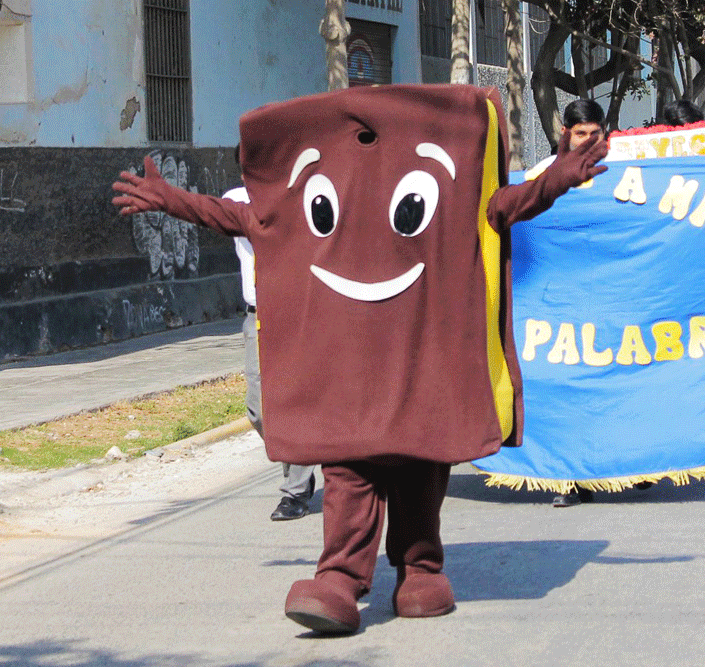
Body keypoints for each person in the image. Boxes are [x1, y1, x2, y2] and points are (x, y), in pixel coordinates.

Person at [112, 84, 608, 635]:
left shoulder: (452, 204)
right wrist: (170, 198)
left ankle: (419, 567)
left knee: (421, 473)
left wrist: (563, 174)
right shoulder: (300, 211)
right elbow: (231, 216)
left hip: (420, 374)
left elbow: (511, 205)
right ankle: (340, 578)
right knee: (347, 475)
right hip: (347, 384)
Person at [526, 99, 607, 508]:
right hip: (556, 305)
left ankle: (621, 469)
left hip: (611, 300)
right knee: (562, 393)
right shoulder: (541, 175)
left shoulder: (622, 174)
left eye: (595, 135)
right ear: (566, 135)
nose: (588, 142)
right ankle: (567, 478)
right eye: (581, 135)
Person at [225, 159, 316, 522]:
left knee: (295, 400)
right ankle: (301, 461)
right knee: (258, 408)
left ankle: (295, 491)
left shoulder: (300, 197)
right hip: (257, 314)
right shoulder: (236, 199)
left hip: (297, 312)